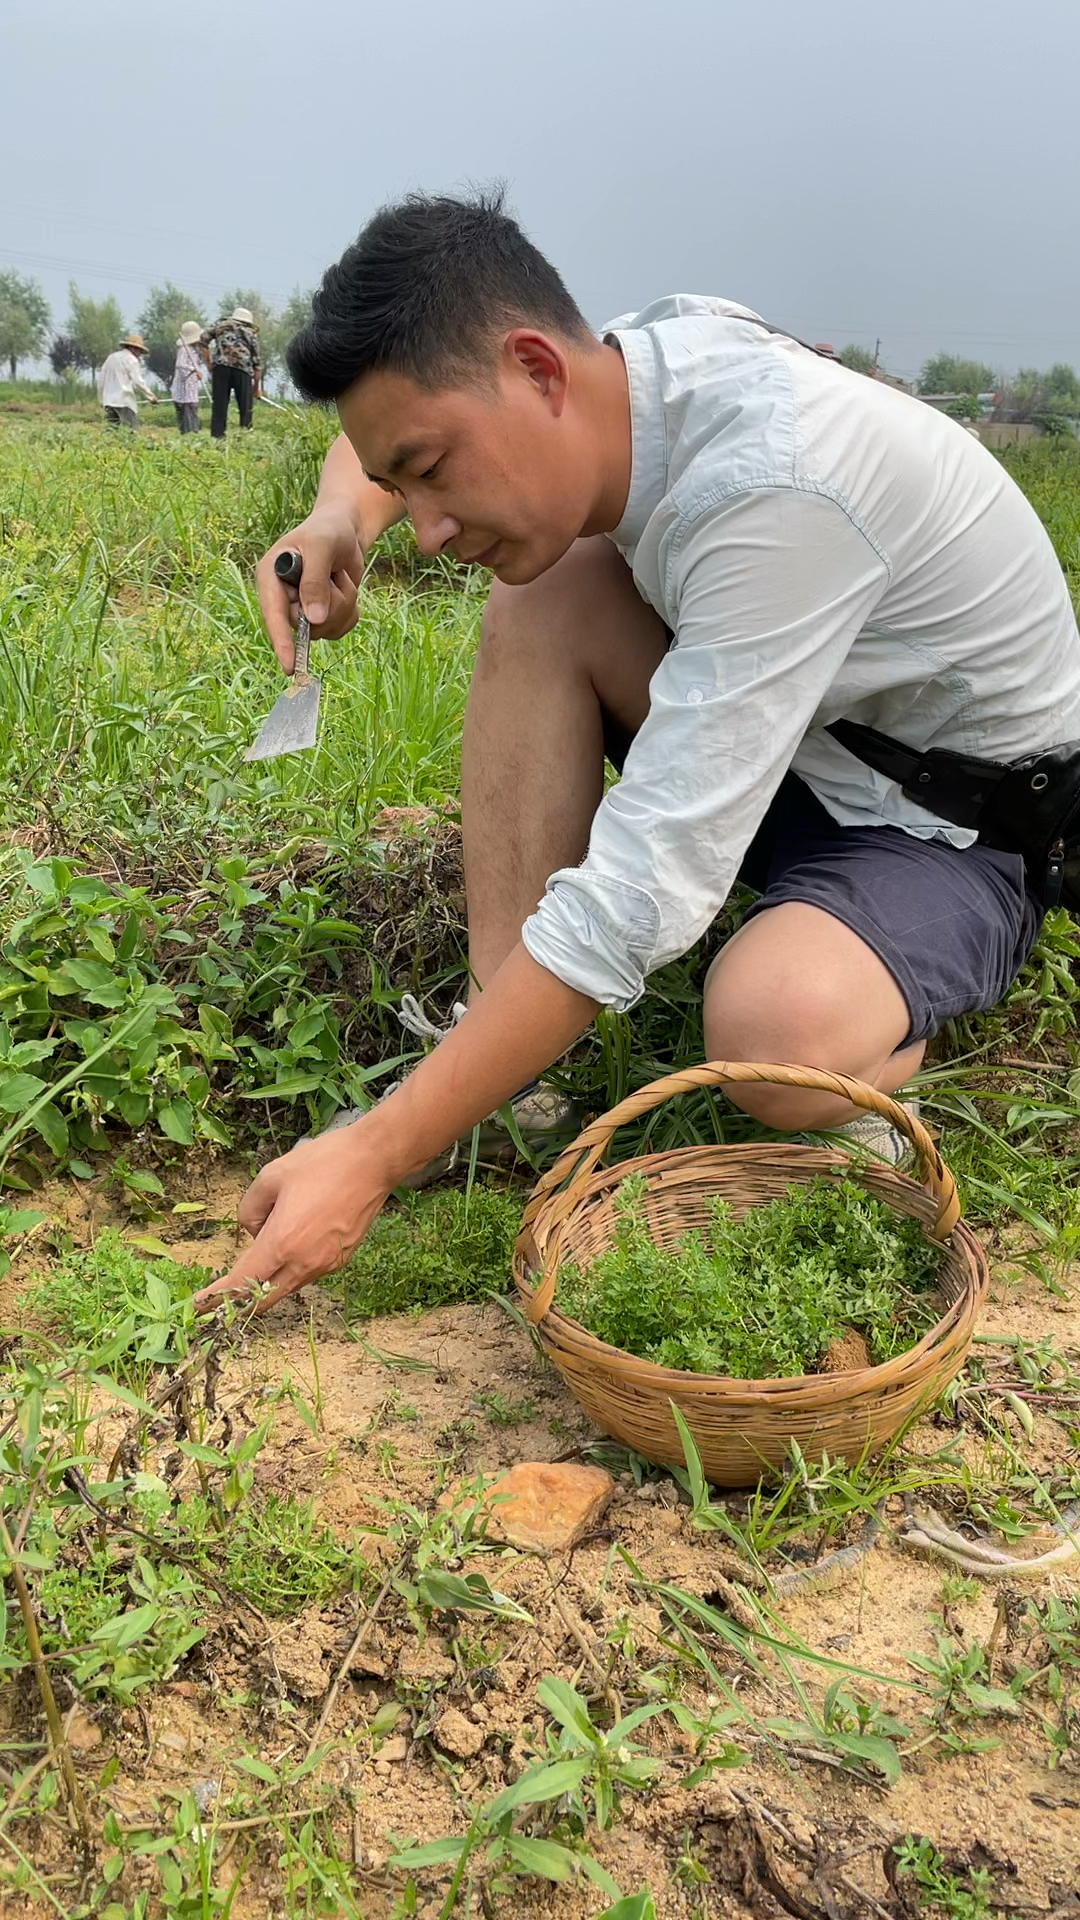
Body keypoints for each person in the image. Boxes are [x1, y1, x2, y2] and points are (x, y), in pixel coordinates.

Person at [197, 190, 1080, 1313]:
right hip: (813, 744)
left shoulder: (777, 488)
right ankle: (503, 1045)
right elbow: (386, 430)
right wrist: (338, 520)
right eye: (405, 486)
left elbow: (636, 896)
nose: (426, 529)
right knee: (548, 587)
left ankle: (862, 1066)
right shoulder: (633, 365)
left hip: (959, 825)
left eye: (432, 472)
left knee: (774, 1023)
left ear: (538, 371)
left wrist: (377, 1152)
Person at [201, 305, 263, 437]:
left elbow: (203, 340)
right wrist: (257, 388)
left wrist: (209, 363)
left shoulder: (219, 326)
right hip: (243, 371)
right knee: (246, 407)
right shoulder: (250, 333)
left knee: (219, 405)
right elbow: (257, 364)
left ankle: (217, 437)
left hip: (221, 368)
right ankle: (245, 435)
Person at [97, 332, 158, 427]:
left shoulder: (111, 357)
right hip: (123, 401)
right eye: (139, 352)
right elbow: (138, 381)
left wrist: (101, 399)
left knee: (113, 431)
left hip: (109, 402)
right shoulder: (131, 360)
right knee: (131, 432)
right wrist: (151, 397)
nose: (139, 355)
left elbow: (101, 380)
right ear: (133, 348)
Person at [171, 320, 206, 433]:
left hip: (191, 390)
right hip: (184, 393)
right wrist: (193, 370)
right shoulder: (183, 350)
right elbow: (180, 365)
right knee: (187, 419)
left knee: (193, 414)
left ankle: (194, 434)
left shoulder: (194, 351)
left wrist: (198, 373)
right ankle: (189, 435)